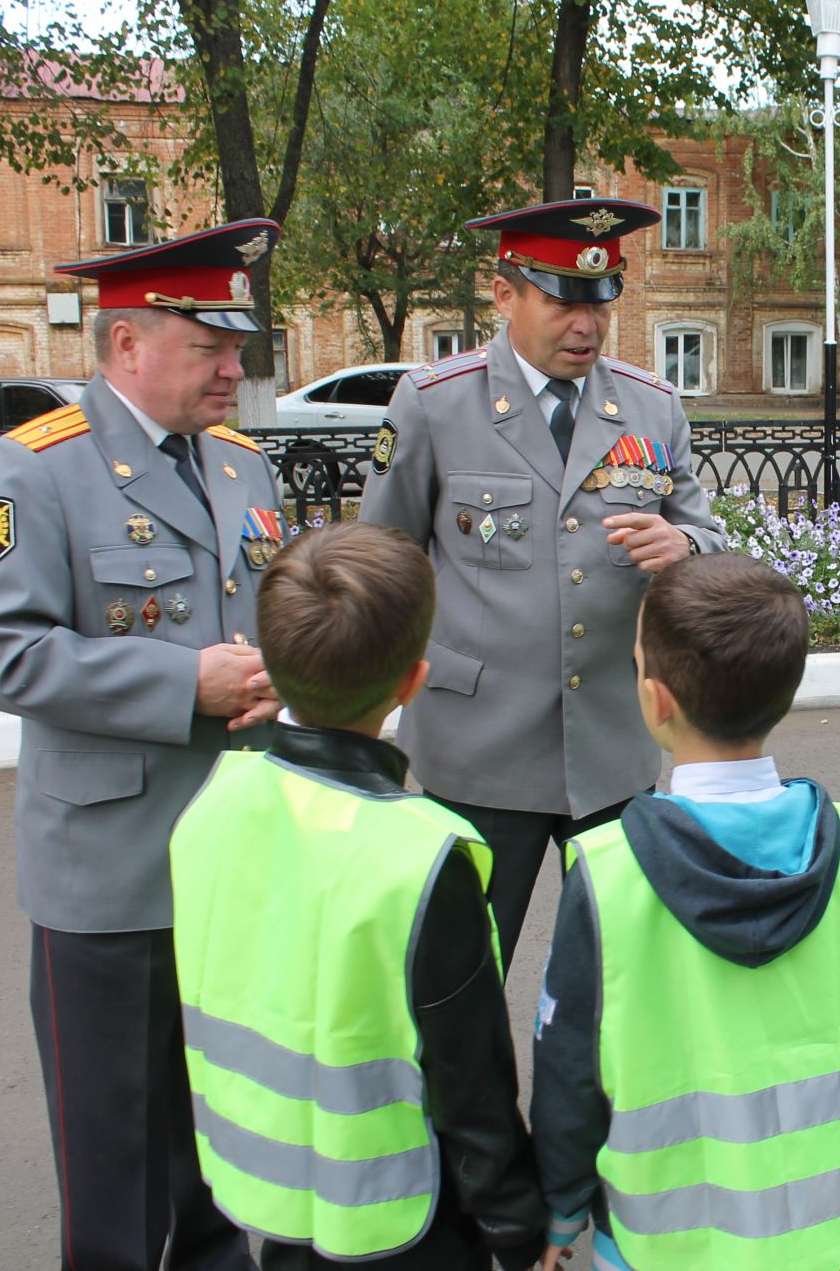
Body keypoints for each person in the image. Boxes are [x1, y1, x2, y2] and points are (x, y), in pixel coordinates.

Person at [0, 219, 288, 1271]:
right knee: (115, 1170)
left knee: (222, 1141)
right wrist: (183, 682)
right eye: (210, 348)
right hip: (111, 871)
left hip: (232, 858)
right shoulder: (35, 469)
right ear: (125, 347)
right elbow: (4, 654)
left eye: (236, 347)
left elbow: (265, 612)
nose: (236, 368)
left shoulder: (242, 465)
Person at [170, 522, 546, 1270]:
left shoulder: (217, 799)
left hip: (271, 1189)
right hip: (399, 1211)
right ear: (413, 680)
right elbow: (471, 1088)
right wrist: (522, 1230)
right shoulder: (422, 852)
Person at [360, 198, 726, 969]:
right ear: (505, 294)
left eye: (601, 302)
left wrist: (681, 541)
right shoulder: (435, 404)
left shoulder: (652, 407)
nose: (586, 326)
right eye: (563, 301)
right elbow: (379, 562)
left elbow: (709, 535)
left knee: (625, 972)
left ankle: (601, 1096)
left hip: (613, 748)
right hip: (478, 750)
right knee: (461, 976)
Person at [530, 552, 840, 1271]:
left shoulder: (608, 868)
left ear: (656, 700)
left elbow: (570, 1065)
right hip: (828, 1229)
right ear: (787, 691)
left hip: (661, 1237)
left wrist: (560, 1208)